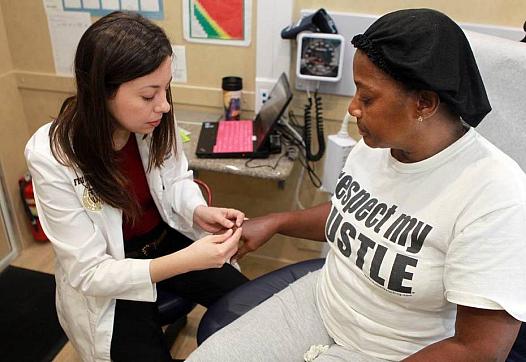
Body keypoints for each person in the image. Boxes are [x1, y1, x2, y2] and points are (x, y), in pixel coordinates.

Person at [187, 8, 526, 362]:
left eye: (367, 98)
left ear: (423, 103)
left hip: (392, 351)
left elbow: (479, 350)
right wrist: (277, 221)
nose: (352, 108)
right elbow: (354, 214)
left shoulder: (495, 196)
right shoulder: (377, 145)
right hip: (319, 304)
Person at [25, 11, 248, 362]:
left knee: (250, 302)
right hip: (112, 272)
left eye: (166, 88)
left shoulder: (154, 121)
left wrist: (197, 210)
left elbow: (174, 178)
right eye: (148, 95)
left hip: (164, 240)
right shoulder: (52, 156)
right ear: (101, 92)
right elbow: (90, 272)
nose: (164, 105)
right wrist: (187, 260)